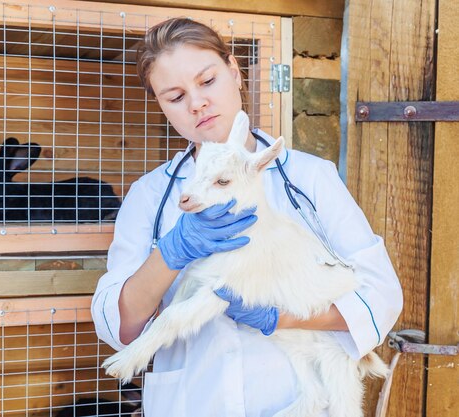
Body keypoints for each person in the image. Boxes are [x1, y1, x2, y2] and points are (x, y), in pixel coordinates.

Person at [91, 17, 402, 417]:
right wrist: (172, 253)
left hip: (293, 400)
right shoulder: (151, 196)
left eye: (207, 81)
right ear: (162, 106)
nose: (197, 103)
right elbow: (117, 327)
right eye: (175, 96)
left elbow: (380, 296)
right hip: (193, 403)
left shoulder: (308, 177)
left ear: (235, 72)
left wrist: (279, 318)